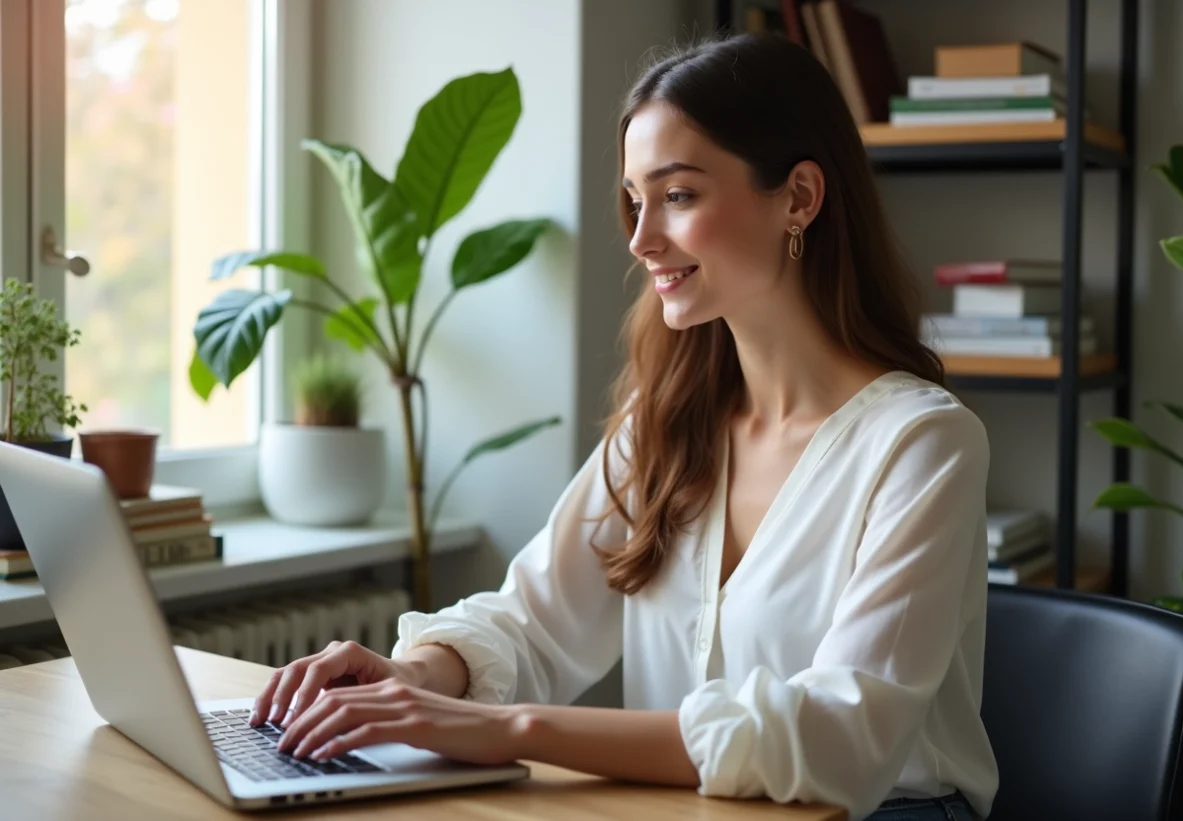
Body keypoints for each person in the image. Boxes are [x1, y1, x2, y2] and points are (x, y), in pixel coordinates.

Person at [253, 32, 998, 821]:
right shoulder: (666, 423)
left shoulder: (922, 444)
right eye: (636, 201)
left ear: (800, 197)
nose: (642, 239)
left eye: (677, 195)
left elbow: (837, 738)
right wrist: (419, 677)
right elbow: (535, 621)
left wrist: (508, 727)